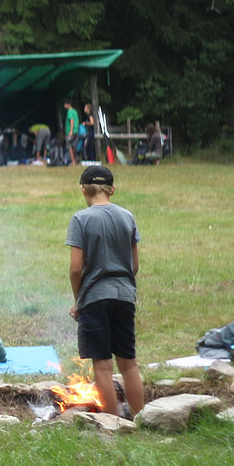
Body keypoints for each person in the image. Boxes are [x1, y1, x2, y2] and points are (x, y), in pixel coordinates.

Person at [65, 165, 145, 419]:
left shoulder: (80, 219)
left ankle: (112, 424)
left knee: (102, 366)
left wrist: (79, 300)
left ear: (83, 189)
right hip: (124, 296)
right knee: (128, 363)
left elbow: (76, 269)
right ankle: (141, 419)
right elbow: (134, 265)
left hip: (94, 298)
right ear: (112, 190)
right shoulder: (127, 217)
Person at [63, 100, 80, 165]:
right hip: (76, 130)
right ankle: (75, 160)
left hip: (70, 131)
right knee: (74, 146)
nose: (64, 106)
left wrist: (70, 131)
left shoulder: (69, 111)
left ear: (69, 104)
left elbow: (71, 120)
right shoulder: (75, 111)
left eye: (65, 104)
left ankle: (73, 161)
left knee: (69, 146)